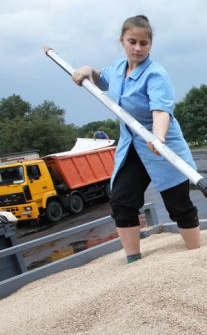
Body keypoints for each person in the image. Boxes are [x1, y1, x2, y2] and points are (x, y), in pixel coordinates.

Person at [72, 15, 200, 263]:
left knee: (179, 206)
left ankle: (197, 255)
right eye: (133, 42)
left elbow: (161, 111)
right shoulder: (119, 68)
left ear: (150, 44)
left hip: (160, 145)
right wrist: (88, 70)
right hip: (132, 145)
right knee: (121, 201)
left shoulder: (156, 74)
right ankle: (133, 260)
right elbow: (101, 78)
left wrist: (159, 138)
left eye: (144, 43)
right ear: (122, 40)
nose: (138, 48)